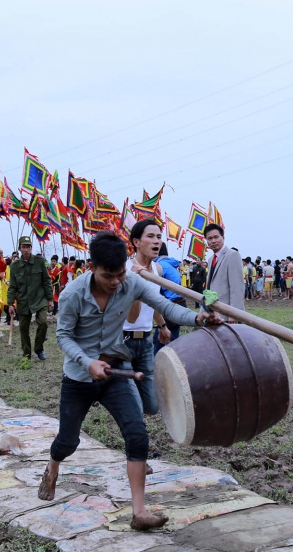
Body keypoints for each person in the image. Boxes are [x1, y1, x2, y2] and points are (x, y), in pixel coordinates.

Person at [39, 231, 221, 530]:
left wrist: (198, 319)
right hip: (78, 379)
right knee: (67, 442)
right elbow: (63, 336)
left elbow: (167, 307)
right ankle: (52, 467)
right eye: (108, 276)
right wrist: (87, 362)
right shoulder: (72, 294)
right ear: (92, 268)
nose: (115, 282)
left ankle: (139, 512)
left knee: (137, 433)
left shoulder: (132, 282)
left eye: (120, 273)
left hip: (115, 371)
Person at [123, 220, 171, 416]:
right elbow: (131, 317)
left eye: (159, 237)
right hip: (122, 341)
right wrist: (137, 282)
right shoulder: (125, 270)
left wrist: (163, 326)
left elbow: (154, 302)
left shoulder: (157, 270)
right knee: (133, 405)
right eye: (150, 236)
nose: (156, 241)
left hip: (146, 341)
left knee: (151, 405)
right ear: (136, 242)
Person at [7, 236, 54, 360]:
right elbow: (12, 286)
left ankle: (39, 349)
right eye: (24, 247)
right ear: (20, 249)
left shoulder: (39, 261)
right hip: (23, 300)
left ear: (31, 248)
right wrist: (10, 304)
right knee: (23, 328)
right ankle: (26, 354)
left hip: (40, 298)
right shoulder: (15, 266)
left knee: (43, 322)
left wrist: (50, 299)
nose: (26, 249)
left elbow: (46, 281)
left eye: (28, 247)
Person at [153, 242, 186, 354]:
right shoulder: (170, 263)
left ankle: (161, 364)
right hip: (179, 302)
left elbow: (153, 287)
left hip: (170, 304)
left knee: (161, 340)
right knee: (171, 336)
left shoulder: (160, 265)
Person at [205, 223, 245, 313]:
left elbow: (237, 287)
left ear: (223, 237)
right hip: (215, 311)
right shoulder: (211, 259)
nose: (213, 241)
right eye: (210, 238)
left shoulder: (232, 255)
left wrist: (234, 313)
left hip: (228, 313)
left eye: (216, 237)